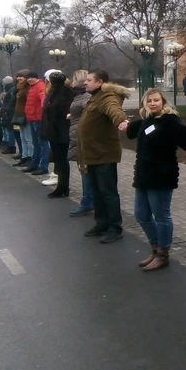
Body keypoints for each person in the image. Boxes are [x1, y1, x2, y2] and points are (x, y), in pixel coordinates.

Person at [127, 88, 186, 271]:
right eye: (149, 100)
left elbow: (185, 134)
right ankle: (155, 247)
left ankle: (163, 254)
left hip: (161, 175)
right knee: (141, 214)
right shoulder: (148, 120)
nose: (153, 103)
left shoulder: (169, 121)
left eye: (156, 100)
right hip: (143, 175)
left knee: (161, 216)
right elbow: (132, 130)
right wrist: (124, 123)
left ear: (163, 102)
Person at [76, 70, 130, 243]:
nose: (85, 83)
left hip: (104, 154)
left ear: (100, 82)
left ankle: (115, 227)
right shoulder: (95, 97)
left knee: (108, 193)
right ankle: (102, 223)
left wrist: (121, 120)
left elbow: (113, 109)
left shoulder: (107, 96)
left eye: (89, 80)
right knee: (98, 192)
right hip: (92, 154)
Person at [41, 71, 75, 198]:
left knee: (61, 160)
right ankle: (62, 186)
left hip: (61, 131)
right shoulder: (52, 92)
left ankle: (63, 186)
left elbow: (64, 112)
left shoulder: (66, 93)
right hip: (53, 131)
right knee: (58, 160)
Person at [67, 70, 94, 217]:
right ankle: (88, 200)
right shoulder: (78, 95)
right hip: (77, 133)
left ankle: (88, 201)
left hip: (81, 136)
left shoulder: (86, 96)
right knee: (83, 170)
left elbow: (89, 111)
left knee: (85, 170)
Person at [22, 71, 47, 175]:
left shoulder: (40, 86)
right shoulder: (32, 87)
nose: (30, 79)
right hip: (32, 118)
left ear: (36, 78)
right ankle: (34, 163)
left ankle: (43, 166)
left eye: (32, 77)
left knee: (42, 143)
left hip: (38, 119)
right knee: (35, 143)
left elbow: (43, 97)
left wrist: (43, 107)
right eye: (28, 78)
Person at [13, 71, 32, 166]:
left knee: (28, 138)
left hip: (26, 116)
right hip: (20, 116)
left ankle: (30, 157)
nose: (19, 78)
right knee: (23, 138)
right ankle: (24, 156)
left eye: (21, 76)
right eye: (18, 76)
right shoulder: (20, 88)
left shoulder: (27, 88)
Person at [0, 76, 17, 154]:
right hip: (8, 112)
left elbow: (9, 102)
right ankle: (9, 145)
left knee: (10, 130)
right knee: (8, 130)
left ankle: (11, 146)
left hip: (9, 113)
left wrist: (5, 109)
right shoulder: (10, 89)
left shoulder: (10, 90)